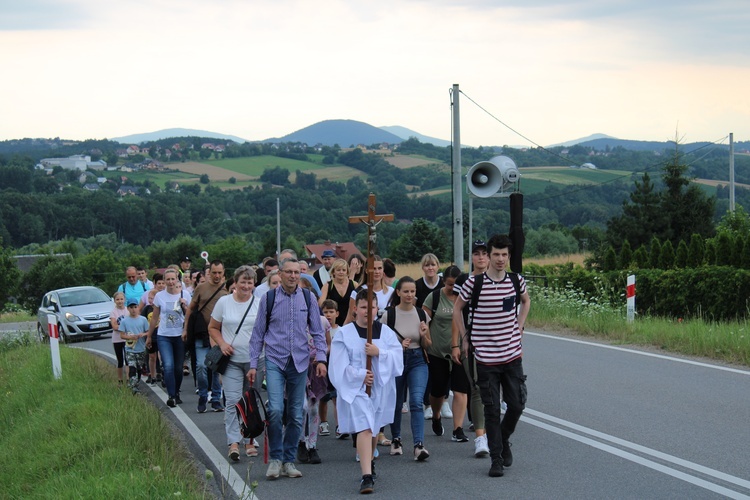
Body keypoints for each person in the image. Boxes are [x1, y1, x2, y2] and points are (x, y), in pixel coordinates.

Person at [453, 234, 530, 478]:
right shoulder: (474, 283)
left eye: (504, 255)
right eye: (495, 254)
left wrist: (519, 327)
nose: (499, 259)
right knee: (492, 409)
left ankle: (504, 437)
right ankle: (496, 459)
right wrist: (465, 338)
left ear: (508, 256)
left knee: (517, 404)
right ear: (488, 255)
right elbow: (457, 309)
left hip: (512, 356)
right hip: (485, 358)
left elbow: (526, 302)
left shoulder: (517, 281)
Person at [247, 258, 328, 480]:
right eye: (289, 272)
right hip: (275, 360)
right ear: (280, 274)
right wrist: (253, 364)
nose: (293, 276)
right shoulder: (269, 298)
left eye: (296, 273)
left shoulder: (308, 297)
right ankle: (275, 459)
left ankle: (289, 460)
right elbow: (258, 334)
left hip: (300, 362)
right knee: (274, 409)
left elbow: (318, 331)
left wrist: (321, 359)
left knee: (296, 412)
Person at [329, 289, 403, 494]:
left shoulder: (386, 333)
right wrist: (361, 374)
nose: (367, 311)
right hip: (356, 389)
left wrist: (379, 352)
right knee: (365, 427)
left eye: (371, 307)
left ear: (376, 308)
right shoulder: (345, 334)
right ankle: (366, 476)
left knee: (374, 426)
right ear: (355, 309)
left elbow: (398, 361)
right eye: (363, 307)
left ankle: (369, 462)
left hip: (379, 388)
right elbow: (337, 366)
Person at [209, 266, 262, 461]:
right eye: (243, 282)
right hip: (231, 360)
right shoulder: (224, 302)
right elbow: (213, 327)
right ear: (236, 283)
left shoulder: (260, 303)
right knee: (232, 400)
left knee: (251, 400)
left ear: (254, 284)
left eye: (250, 282)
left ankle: (250, 439)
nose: (246, 286)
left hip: (255, 360)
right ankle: (233, 442)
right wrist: (222, 343)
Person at [381, 276, 432, 461]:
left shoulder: (421, 314)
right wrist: (398, 346)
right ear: (398, 292)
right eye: (406, 291)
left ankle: (419, 445)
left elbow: (428, 345)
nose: (410, 295)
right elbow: (383, 345)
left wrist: (424, 335)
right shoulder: (389, 315)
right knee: (396, 402)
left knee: (416, 401)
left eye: (412, 291)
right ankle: (396, 439)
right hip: (396, 361)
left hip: (418, 359)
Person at [423, 265, 470, 442]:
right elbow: (423, 321)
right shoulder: (434, 297)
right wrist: (426, 342)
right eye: (450, 284)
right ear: (444, 282)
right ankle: (436, 415)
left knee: (460, 390)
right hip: (437, 351)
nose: (453, 288)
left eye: (456, 285)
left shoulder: (466, 299)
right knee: (438, 391)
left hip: (460, 351)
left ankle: (457, 429)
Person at [183, 260, 228, 413]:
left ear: (223, 273)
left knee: (215, 368)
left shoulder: (226, 290)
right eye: (213, 272)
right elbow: (190, 309)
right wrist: (185, 329)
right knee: (201, 366)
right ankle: (203, 395)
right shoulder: (201, 288)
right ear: (209, 273)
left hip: (218, 335)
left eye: (219, 273)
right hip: (201, 333)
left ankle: (215, 399)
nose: (216, 276)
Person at [146, 268, 191, 408]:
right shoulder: (160, 296)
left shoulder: (186, 294)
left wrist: (186, 305)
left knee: (178, 368)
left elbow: (190, 316)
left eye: (173, 279)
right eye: (168, 279)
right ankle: (171, 395)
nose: (171, 282)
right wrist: (149, 336)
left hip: (180, 335)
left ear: (178, 280)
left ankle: (176, 392)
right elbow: (154, 318)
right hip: (164, 335)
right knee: (168, 366)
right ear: (164, 281)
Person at [415, 253, 446, 421]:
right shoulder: (418, 285)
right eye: (427, 265)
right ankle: (427, 403)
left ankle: (444, 400)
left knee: (444, 364)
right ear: (423, 267)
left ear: (438, 266)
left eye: (433, 265)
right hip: (425, 329)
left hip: (442, 330)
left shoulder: (443, 284)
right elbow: (415, 309)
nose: (430, 268)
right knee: (428, 366)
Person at [344, 256, 393, 324]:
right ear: (367, 270)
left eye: (379, 268)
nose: (377, 272)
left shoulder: (391, 292)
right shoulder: (357, 292)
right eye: (373, 269)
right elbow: (350, 317)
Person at [318, 299, 339, 437]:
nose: (328, 315)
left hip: (335, 366)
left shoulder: (341, 330)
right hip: (322, 364)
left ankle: (339, 425)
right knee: (322, 397)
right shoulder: (319, 327)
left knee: (336, 397)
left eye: (331, 312)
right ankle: (323, 423)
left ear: (337, 313)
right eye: (325, 312)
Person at [120, 298, 150, 394]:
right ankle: (133, 386)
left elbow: (148, 331)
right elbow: (122, 335)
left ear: (138, 308)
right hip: (130, 349)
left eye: (135, 307)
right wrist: (130, 337)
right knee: (132, 367)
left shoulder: (143, 319)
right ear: (128, 309)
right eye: (131, 307)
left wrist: (143, 335)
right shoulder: (124, 321)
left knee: (139, 368)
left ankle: (136, 382)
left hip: (141, 348)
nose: (133, 309)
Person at [318, 258, 356, 327]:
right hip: (332, 323)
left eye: (343, 270)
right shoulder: (327, 286)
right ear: (333, 272)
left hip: (351, 321)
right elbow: (321, 304)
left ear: (347, 272)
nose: (341, 272)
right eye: (338, 270)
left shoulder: (354, 285)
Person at [110, 291, 128, 385]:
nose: (120, 301)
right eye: (117, 299)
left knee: (128, 359)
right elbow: (114, 326)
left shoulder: (127, 311)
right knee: (120, 360)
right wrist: (124, 328)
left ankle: (129, 379)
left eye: (121, 299)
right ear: (114, 301)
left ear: (124, 300)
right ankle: (120, 380)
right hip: (117, 339)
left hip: (127, 338)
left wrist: (120, 327)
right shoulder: (113, 312)